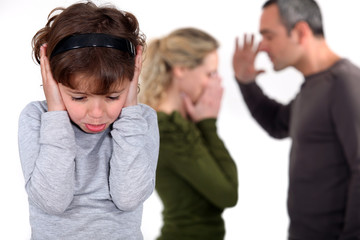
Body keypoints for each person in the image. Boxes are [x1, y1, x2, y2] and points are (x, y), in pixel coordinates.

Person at [17, 2, 159, 239]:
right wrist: (56, 113)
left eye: (113, 96)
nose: (96, 112)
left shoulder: (140, 120)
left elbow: (128, 197)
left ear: (132, 81)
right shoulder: (37, 118)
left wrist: (130, 110)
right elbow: (52, 201)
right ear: (52, 79)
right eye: (79, 97)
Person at [232, 0, 360, 239]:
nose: (263, 47)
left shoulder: (344, 83)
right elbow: (278, 124)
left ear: (301, 31)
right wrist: (246, 83)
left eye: (269, 36)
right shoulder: (314, 85)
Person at [139, 27, 238, 240]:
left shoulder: (181, 123)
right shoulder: (169, 130)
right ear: (181, 69)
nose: (216, 82)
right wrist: (208, 124)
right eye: (210, 73)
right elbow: (228, 194)